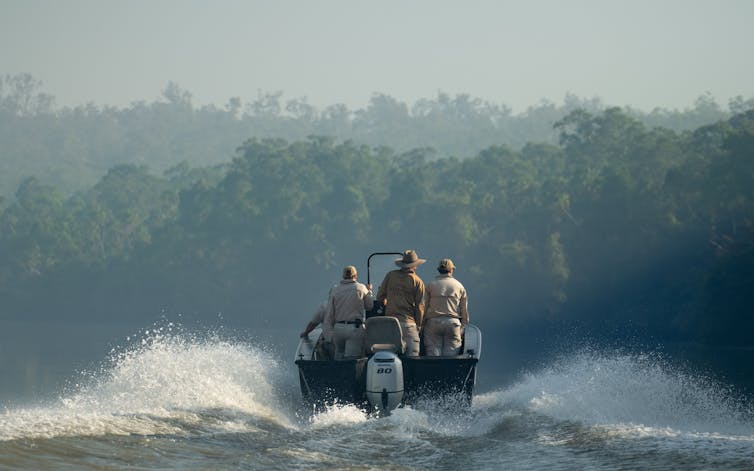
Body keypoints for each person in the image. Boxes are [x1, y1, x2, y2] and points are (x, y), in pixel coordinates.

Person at [376, 249, 426, 357]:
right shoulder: (418, 281)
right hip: (409, 324)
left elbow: (379, 297)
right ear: (415, 266)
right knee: (413, 357)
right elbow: (420, 307)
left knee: (390, 356)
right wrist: (419, 325)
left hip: (391, 323)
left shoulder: (391, 276)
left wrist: (387, 302)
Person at [324, 265, 374, 359]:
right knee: (352, 359)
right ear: (355, 276)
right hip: (354, 328)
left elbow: (329, 314)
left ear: (343, 276)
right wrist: (369, 291)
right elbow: (369, 306)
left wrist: (328, 334)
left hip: (338, 328)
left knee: (339, 355)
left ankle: (338, 372)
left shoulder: (335, 290)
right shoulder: (361, 288)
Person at [422, 258, 469, 356]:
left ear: (439, 270)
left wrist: (421, 324)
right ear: (451, 270)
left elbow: (424, 307)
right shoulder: (459, 286)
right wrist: (462, 327)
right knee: (451, 358)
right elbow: (464, 311)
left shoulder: (430, 285)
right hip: (453, 324)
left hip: (433, 323)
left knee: (433, 357)